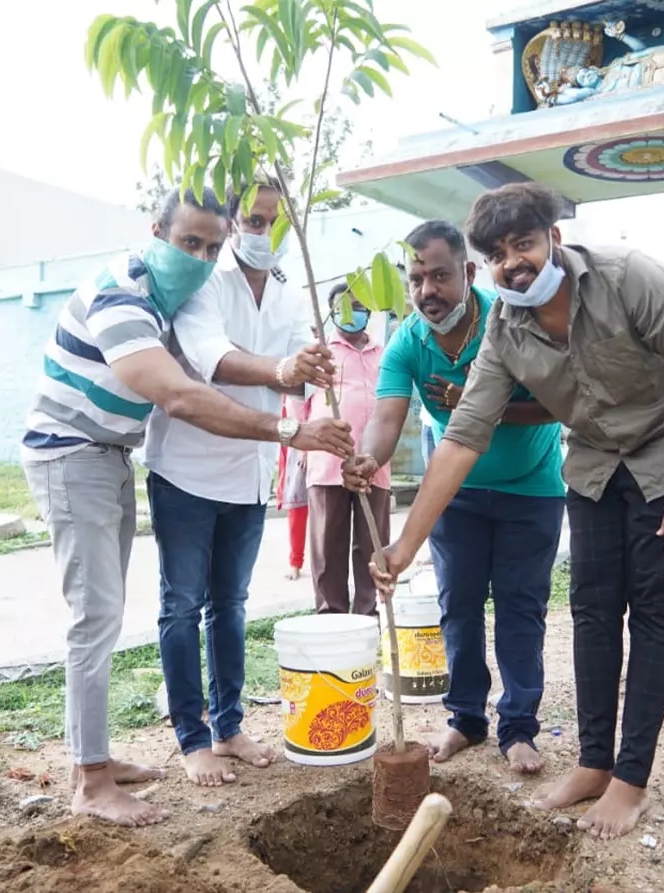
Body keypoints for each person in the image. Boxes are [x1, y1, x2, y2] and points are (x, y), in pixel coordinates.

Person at [368, 183, 664, 840]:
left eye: (525, 244)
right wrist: (404, 546)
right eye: (498, 254)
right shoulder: (505, 331)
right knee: (592, 611)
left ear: (554, 239)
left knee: (654, 614)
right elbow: (462, 437)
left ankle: (630, 781)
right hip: (593, 462)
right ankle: (594, 764)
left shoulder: (628, 277)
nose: (514, 263)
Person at [22, 186, 352, 827]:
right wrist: (289, 425)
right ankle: (92, 781)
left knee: (191, 606)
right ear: (157, 231)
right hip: (73, 453)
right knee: (105, 616)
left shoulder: (171, 294)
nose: (199, 256)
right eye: (188, 242)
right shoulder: (125, 296)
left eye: (209, 244)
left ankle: (103, 758)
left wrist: (304, 381)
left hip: (111, 454)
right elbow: (182, 392)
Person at [343, 220, 565, 774]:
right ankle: (466, 718)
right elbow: (387, 417)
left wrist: (479, 403)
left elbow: (559, 402)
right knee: (458, 607)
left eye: (440, 276)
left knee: (520, 608)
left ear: (468, 272)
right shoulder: (408, 342)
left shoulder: (511, 319)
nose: (428, 292)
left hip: (531, 489)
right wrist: (368, 458)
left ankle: (518, 728)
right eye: (416, 279)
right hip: (455, 494)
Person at [142, 181, 344, 787]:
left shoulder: (286, 287)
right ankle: (191, 737)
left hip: (251, 471)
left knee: (230, 604)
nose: (262, 232)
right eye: (253, 220)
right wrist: (285, 369)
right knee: (182, 605)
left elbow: (298, 368)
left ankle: (228, 726)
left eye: (272, 222)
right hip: (186, 468)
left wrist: (312, 369)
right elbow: (212, 357)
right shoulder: (204, 277)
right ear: (232, 222)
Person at [307, 282, 391, 617]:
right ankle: (331, 616)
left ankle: (369, 616)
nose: (353, 313)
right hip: (327, 460)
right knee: (328, 543)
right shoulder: (320, 352)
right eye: (345, 306)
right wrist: (302, 450)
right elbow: (298, 402)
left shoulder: (382, 352)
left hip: (374, 462)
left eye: (359, 306)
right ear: (331, 312)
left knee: (373, 543)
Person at [277, 394, 310, 581]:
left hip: (313, 447)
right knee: (297, 510)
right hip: (295, 449)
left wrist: (308, 449)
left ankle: (299, 562)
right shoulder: (286, 391)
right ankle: (295, 562)